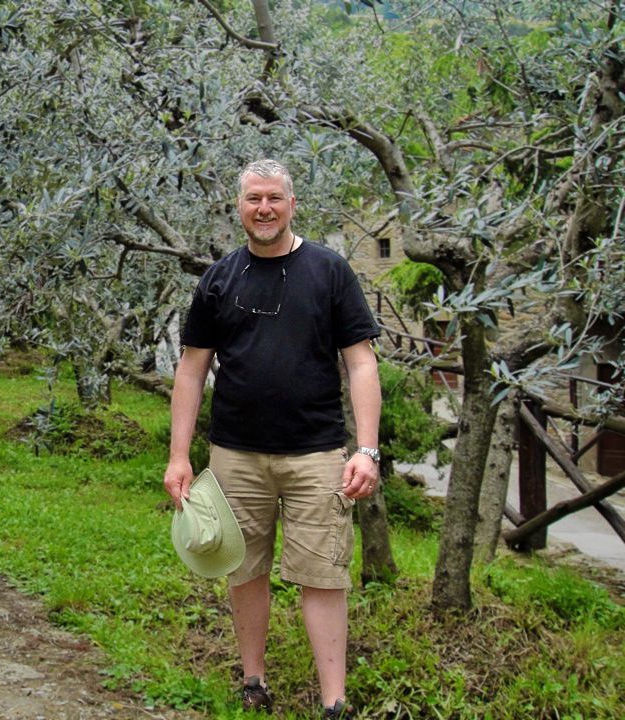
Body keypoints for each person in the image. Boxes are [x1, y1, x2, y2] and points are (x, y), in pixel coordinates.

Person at [162, 159, 381, 719]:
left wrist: (367, 449)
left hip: (317, 454)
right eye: (253, 198)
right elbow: (191, 369)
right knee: (243, 567)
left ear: (292, 203)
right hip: (236, 454)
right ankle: (253, 680)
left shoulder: (329, 271)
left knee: (324, 574)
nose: (264, 208)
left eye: (274, 199)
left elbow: (361, 364)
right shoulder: (219, 278)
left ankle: (335, 702)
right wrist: (179, 455)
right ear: (239, 206)